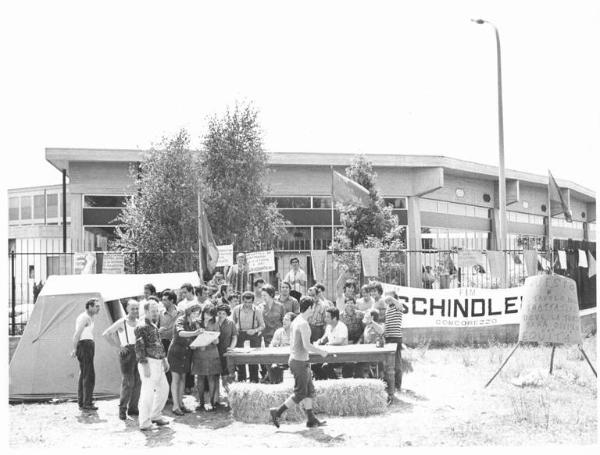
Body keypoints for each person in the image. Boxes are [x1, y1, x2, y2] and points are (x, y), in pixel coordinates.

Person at [269, 296, 328, 428]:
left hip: (300, 361)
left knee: (309, 391)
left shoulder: (297, 321)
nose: (314, 310)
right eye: (313, 308)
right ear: (309, 308)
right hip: (300, 362)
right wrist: (321, 352)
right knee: (301, 393)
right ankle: (277, 412)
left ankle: (311, 419)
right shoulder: (303, 324)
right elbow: (307, 346)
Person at [102, 299, 141, 420]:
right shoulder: (122, 322)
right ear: (127, 309)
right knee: (128, 382)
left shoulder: (140, 322)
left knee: (138, 382)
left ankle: (133, 408)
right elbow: (106, 334)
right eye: (132, 308)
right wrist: (118, 347)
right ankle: (122, 409)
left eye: (136, 308)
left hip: (139, 352)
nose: (135, 311)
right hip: (127, 353)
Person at [134, 300, 170, 430]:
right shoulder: (141, 326)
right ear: (147, 311)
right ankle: (144, 422)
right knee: (147, 393)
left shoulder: (153, 325)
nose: (156, 313)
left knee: (164, 389)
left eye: (157, 311)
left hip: (158, 362)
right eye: (153, 311)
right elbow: (139, 347)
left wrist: (164, 359)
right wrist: (144, 365)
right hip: (149, 362)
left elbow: (158, 343)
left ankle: (155, 415)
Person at [167, 303, 203, 416]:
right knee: (176, 378)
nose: (196, 314)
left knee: (183, 378)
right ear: (189, 311)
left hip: (186, 353)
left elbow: (194, 338)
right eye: (194, 312)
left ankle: (181, 404)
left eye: (198, 313)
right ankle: (175, 406)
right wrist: (195, 333)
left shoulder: (194, 323)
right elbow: (180, 333)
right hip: (176, 353)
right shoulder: (180, 320)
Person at [71, 298, 101, 411]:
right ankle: (87, 402)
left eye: (99, 306)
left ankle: (83, 401)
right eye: (96, 306)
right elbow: (76, 334)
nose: (99, 309)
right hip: (84, 346)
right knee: (88, 375)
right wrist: (74, 349)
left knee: (84, 373)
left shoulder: (89, 318)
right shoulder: (84, 318)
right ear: (89, 306)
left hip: (87, 345)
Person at [192, 306, 221, 411]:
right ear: (203, 313)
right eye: (207, 314)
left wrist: (213, 338)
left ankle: (212, 402)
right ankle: (201, 402)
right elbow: (192, 337)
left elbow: (217, 341)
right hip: (199, 352)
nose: (209, 316)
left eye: (211, 314)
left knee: (211, 377)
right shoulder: (196, 322)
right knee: (199, 377)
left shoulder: (215, 323)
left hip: (211, 352)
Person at [232, 291, 265, 383]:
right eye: (245, 302)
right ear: (242, 300)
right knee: (240, 358)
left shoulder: (257, 310)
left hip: (253, 334)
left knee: (253, 358)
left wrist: (254, 330)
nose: (247, 304)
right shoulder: (236, 309)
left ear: (253, 301)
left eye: (249, 302)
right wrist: (235, 331)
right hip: (240, 334)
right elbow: (232, 323)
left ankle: (254, 379)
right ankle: (241, 379)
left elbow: (262, 325)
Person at [258, 284, 285, 382]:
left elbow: (284, 321)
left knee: (279, 361)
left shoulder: (280, 306)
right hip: (266, 337)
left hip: (279, 337)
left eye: (265, 295)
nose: (263, 297)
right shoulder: (260, 307)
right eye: (262, 295)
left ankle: (279, 381)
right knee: (268, 360)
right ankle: (272, 380)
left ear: (271, 294)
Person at [313, 307, 349, 379]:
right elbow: (324, 338)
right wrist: (318, 342)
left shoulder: (342, 327)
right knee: (314, 365)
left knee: (326, 366)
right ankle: (324, 382)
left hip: (341, 356)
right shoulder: (328, 326)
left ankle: (335, 383)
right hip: (330, 355)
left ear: (334, 318)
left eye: (327, 317)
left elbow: (340, 341)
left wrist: (328, 344)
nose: (325, 318)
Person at [215, 303, 238, 408]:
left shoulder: (231, 323)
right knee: (215, 377)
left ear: (227, 314)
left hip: (225, 352)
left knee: (226, 377)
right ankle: (215, 400)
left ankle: (230, 400)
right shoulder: (213, 322)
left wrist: (231, 347)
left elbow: (234, 337)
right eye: (219, 313)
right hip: (214, 352)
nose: (221, 315)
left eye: (223, 313)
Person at [158, 290, 179, 397]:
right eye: (162, 299)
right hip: (163, 344)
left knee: (175, 369)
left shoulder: (180, 313)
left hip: (176, 344)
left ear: (172, 300)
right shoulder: (160, 313)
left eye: (165, 300)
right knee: (164, 368)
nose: (163, 302)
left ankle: (174, 394)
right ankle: (165, 394)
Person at [268, 312, 297, 383]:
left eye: (286, 320)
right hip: (280, 359)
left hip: (294, 359)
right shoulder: (279, 332)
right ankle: (274, 384)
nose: (283, 321)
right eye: (283, 319)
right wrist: (274, 347)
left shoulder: (297, 333)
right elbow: (271, 345)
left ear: (293, 322)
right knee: (272, 365)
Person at [356, 309, 385, 378]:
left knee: (379, 365)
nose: (364, 318)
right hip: (366, 353)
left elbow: (381, 331)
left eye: (367, 316)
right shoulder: (367, 327)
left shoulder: (380, 325)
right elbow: (362, 338)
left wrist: (372, 322)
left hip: (377, 354)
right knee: (357, 364)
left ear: (372, 317)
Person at [383, 296, 403, 394]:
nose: (388, 300)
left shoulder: (398, 307)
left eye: (390, 299)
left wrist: (391, 298)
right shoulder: (388, 309)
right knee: (389, 364)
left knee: (397, 364)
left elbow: (399, 305)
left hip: (396, 338)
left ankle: (398, 386)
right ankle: (391, 385)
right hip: (388, 338)